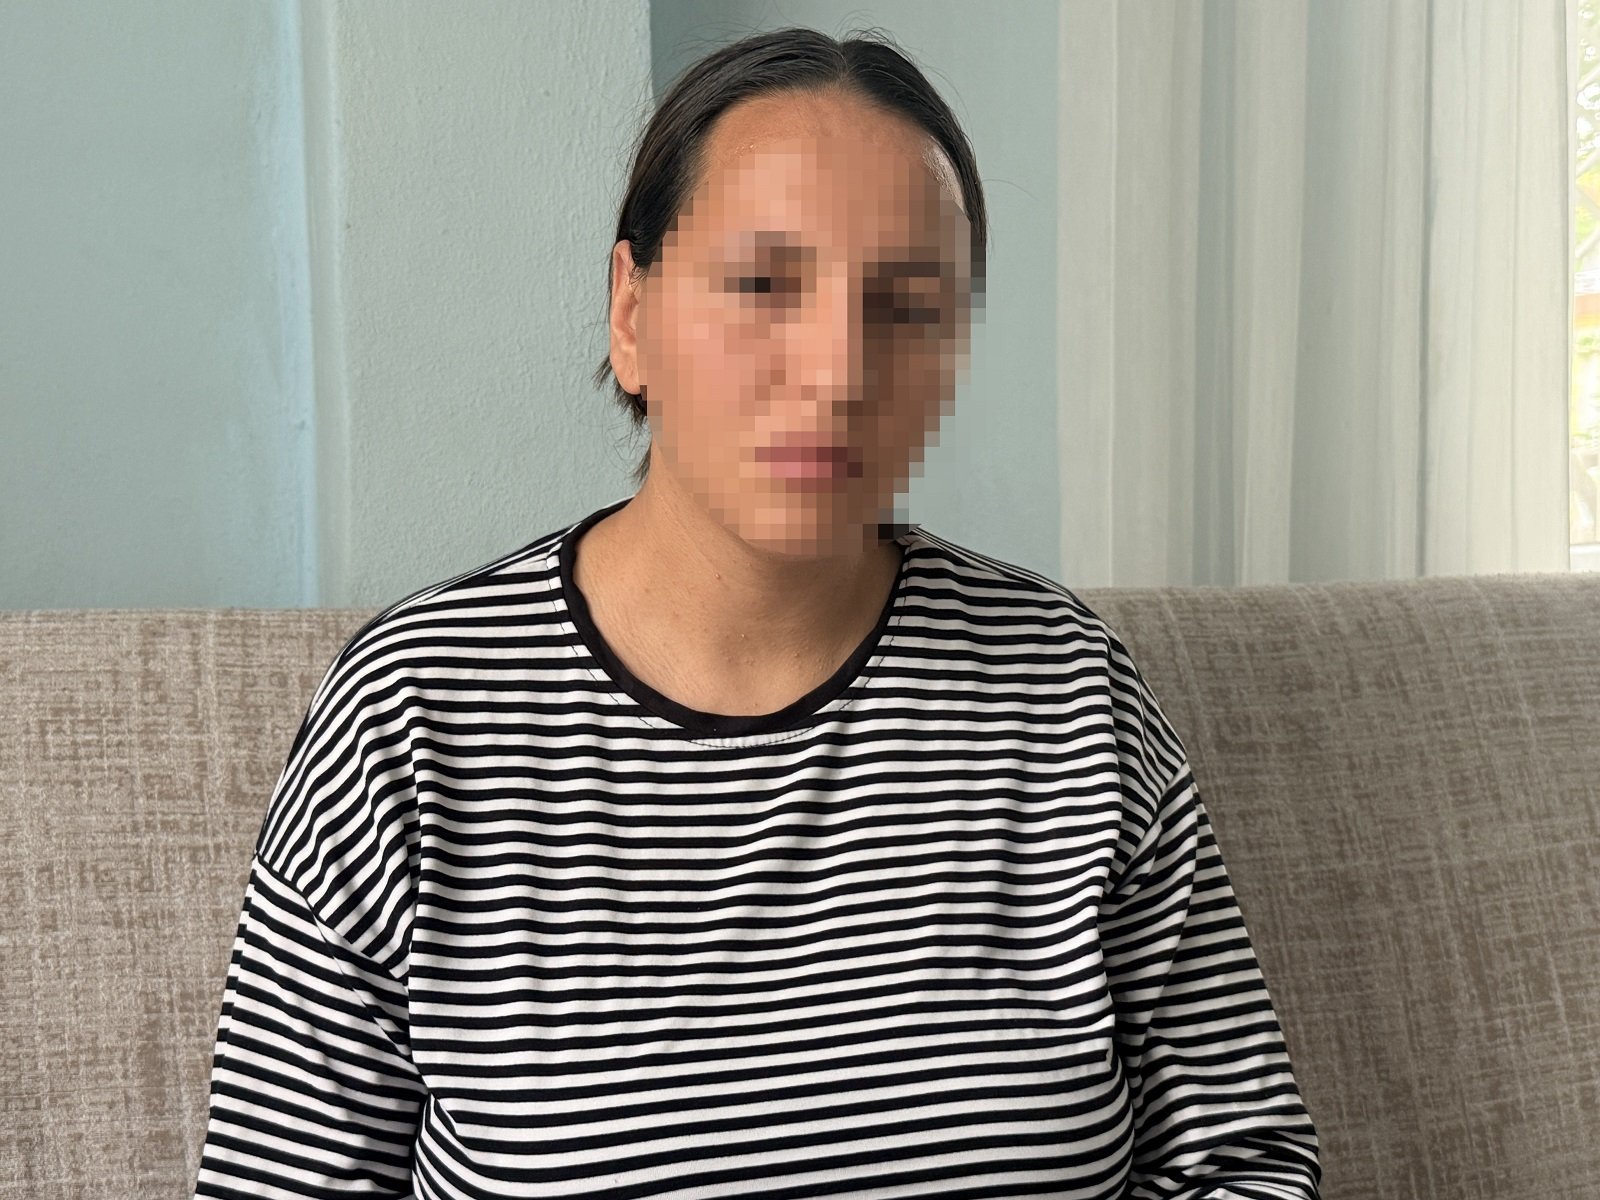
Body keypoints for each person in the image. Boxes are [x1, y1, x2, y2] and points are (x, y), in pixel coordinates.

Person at [193, 25, 1322, 1199]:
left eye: (906, 306)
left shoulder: (1066, 692)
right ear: (632, 315)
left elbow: (1243, 1161)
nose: (836, 373)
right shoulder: (412, 715)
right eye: (763, 286)